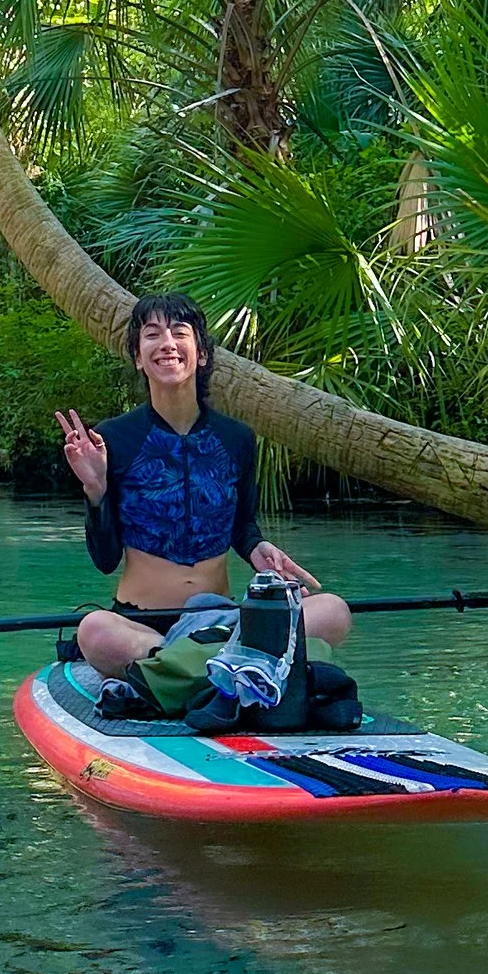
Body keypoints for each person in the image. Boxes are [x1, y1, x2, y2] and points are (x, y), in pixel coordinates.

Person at [55, 292, 350, 705]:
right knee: (93, 631)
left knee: (333, 611)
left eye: (180, 332)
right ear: (139, 357)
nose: (167, 344)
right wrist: (95, 489)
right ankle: (237, 667)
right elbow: (106, 560)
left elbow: (242, 527)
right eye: (152, 335)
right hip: (145, 625)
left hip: (223, 619)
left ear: (202, 353)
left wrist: (258, 549)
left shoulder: (237, 439)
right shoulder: (114, 438)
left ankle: (183, 673)